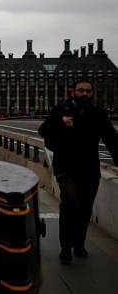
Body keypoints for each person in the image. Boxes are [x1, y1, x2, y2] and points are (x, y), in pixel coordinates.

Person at [38, 78, 118, 264]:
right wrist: (61, 125)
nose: (84, 94)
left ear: (91, 93)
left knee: (84, 209)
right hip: (65, 167)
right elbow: (44, 131)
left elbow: (112, 140)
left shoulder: (98, 114)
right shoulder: (61, 111)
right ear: (72, 92)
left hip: (90, 169)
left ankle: (79, 244)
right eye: (81, 90)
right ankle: (65, 246)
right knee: (70, 203)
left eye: (88, 91)